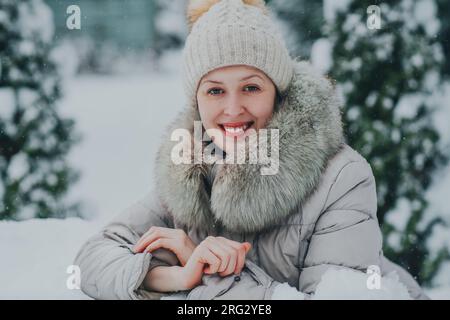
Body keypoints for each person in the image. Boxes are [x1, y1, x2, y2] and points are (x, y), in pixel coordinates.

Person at [74, 0, 429, 300]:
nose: (232, 110)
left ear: (277, 91)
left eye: (251, 88)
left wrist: (212, 274)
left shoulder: (343, 179)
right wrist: (176, 276)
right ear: (195, 101)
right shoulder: (191, 170)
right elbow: (90, 261)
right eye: (215, 91)